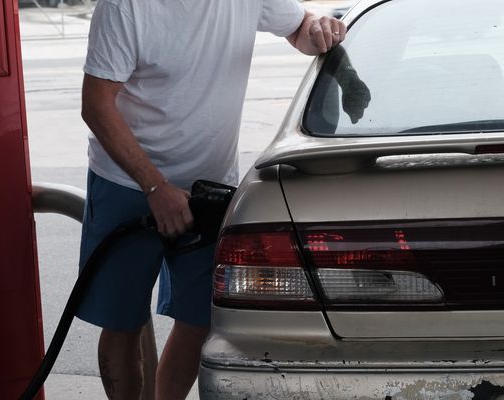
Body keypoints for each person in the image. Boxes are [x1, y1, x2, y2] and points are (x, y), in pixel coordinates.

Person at [77, 1, 346, 399]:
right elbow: (96, 105)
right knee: (121, 322)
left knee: (199, 318)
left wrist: (319, 30)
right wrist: (154, 187)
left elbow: (298, 27)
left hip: (210, 186)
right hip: (128, 183)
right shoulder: (124, 7)